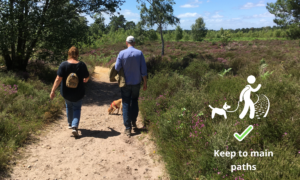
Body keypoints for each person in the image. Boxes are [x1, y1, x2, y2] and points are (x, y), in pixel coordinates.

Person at [50, 46, 90, 137]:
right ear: (77, 54)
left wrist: (53, 91)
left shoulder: (63, 65)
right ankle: (74, 126)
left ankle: (70, 123)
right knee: (77, 108)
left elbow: (58, 79)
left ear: (69, 54)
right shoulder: (82, 65)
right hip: (78, 92)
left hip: (66, 92)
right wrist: (85, 80)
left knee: (68, 106)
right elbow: (87, 76)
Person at [115, 36, 147, 137]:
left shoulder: (122, 53)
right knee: (134, 102)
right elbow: (144, 70)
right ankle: (133, 122)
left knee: (125, 104)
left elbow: (117, 67)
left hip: (125, 84)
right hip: (137, 83)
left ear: (126, 42)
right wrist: (145, 82)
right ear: (134, 43)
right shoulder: (139, 53)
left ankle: (128, 128)